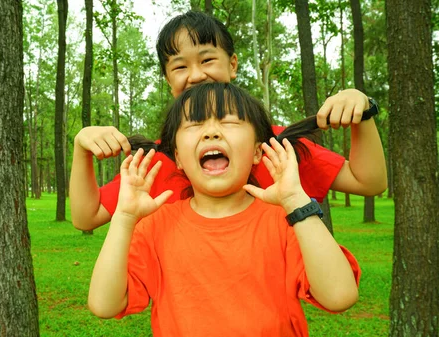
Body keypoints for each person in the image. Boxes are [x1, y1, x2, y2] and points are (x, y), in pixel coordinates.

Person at [70, 10, 387, 231]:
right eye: (179, 67)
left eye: (207, 59)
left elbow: (369, 181)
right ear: (168, 81)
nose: (195, 75)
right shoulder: (155, 161)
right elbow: (87, 217)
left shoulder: (276, 147)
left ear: (232, 64)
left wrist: (364, 112)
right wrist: (81, 147)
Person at [87, 82, 360, 336]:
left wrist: (296, 202)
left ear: (257, 152)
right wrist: (123, 218)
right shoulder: (156, 227)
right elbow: (104, 304)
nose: (211, 131)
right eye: (194, 124)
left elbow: (339, 296)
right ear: (179, 158)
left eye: (229, 121)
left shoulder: (287, 221)